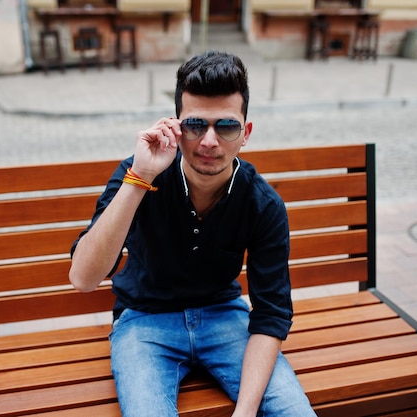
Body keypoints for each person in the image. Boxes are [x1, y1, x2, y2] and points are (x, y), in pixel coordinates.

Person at [69, 51, 316, 417]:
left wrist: (245, 412)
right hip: (143, 321)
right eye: (196, 124)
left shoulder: (262, 203)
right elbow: (83, 278)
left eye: (227, 126)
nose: (209, 141)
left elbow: (271, 314)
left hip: (225, 317)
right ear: (175, 127)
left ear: (245, 134)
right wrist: (141, 178)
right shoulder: (138, 174)